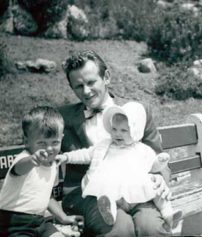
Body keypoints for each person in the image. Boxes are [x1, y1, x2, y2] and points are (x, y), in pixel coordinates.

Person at [58, 49, 172, 236]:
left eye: (91, 82)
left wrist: (159, 177)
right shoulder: (64, 118)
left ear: (107, 77)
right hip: (90, 194)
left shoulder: (136, 112)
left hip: (136, 191)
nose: (86, 91)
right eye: (78, 86)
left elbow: (157, 158)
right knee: (120, 227)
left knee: (151, 228)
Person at [57, 102, 182, 232]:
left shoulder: (142, 149)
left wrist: (160, 161)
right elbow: (86, 154)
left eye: (123, 130)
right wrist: (67, 157)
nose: (117, 134)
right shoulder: (105, 145)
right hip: (114, 189)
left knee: (157, 192)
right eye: (114, 130)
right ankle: (109, 212)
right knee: (106, 193)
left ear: (135, 131)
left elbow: (152, 166)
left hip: (134, 190)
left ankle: (168, 215)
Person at [0, 106, 82, 237]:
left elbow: (47, 196)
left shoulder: (53, 165)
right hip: (13, 222)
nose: (49, 148)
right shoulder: (24, 159)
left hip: (39, 223)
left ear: (62, 138)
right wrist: (32, 160)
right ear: (26, 141)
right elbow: (19, 169)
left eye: (55, 142)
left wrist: (63, 218)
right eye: (42, 143)